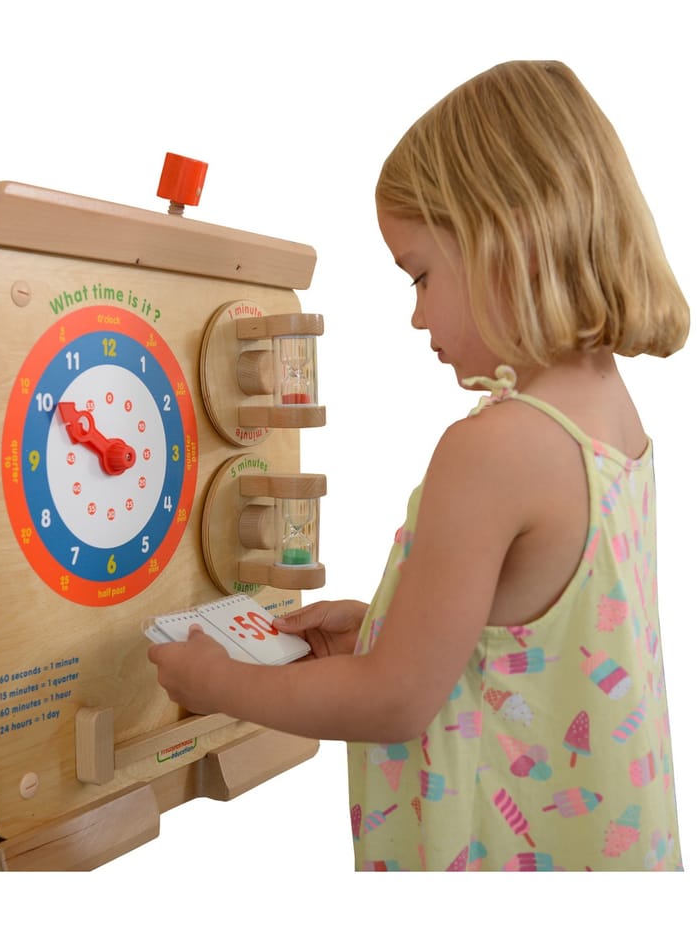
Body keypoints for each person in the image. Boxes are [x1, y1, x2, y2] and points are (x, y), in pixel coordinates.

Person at [148, 61, 687, 871]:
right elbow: (538, 642)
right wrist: (385, 627)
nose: (415, 314)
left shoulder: (493, 447)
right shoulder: (609, 418)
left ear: (510, 235)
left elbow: (394, 701)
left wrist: (216, 683)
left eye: (421, 275)